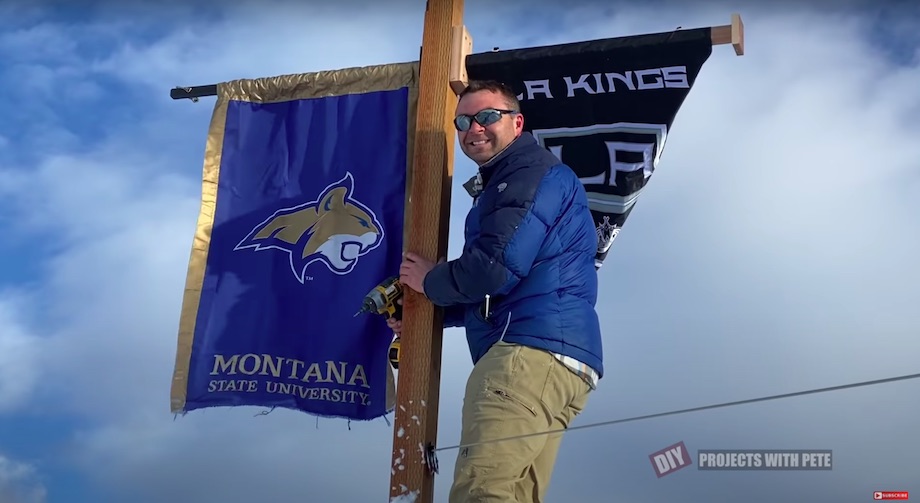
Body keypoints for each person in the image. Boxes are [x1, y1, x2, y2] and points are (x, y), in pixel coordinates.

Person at [392, 79, 603, 503]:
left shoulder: (528, 174)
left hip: (525, 356)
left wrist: (431, 280)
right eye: (464, 121)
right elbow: (505, 285)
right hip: (556, 358)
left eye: (488, 116)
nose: (475, 128)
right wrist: (429, 307)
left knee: (482, 492)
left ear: (517, 122)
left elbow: (496, 268)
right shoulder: (510, 181)